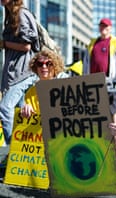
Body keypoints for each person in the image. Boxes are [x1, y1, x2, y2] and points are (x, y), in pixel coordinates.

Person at [0, 0, 39, 146]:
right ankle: (24, 150)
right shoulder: (10, 15)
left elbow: (27, 46)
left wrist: (4, 44)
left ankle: (12, 150)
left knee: (5, 108)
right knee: (20, 113)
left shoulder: (22, 14)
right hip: (16, 72)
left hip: (23, 72)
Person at [83, 17, 116, 123]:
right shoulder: (92, 43)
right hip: (93, 82)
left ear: (110, 28)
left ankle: (114, 135)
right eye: (101, 25)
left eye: (106, 26)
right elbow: (86, 62)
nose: (103, 28)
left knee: (112, 109)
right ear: (99, 28)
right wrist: (84, 77)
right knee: (95, 109)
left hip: (111, 82)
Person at [21, 49, 69, 118]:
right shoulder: (30, 93)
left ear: (55, 66)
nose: (44, 67)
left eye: (48, 64)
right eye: (40, 64)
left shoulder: (65, 88)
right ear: (35, 67)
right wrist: (26, 109)